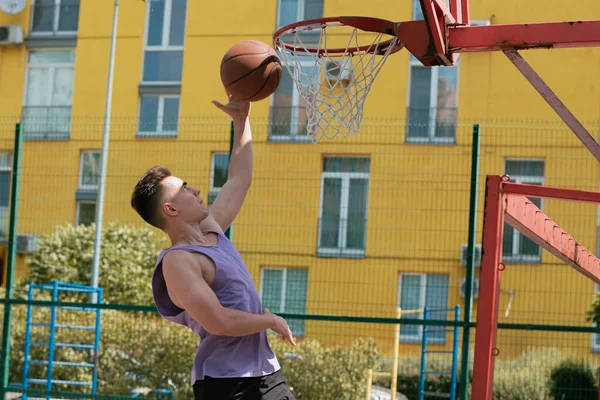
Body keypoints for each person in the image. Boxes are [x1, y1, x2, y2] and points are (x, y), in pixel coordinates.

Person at [130, 94, 296, 400]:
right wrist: (270, 320)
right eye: (184, 188)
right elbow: (218, 321)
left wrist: (242, 120)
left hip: (265, 373)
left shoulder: (211, 230)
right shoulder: (177, 261)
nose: (194, 189)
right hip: (228, 383)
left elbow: (239, 178)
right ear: (171, 209)